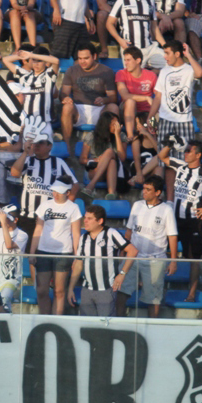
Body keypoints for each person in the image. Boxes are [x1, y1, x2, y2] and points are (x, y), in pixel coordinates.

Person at [159, 139, 202, 302]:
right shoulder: (180, 165)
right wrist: (169, 144)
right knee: (163, 250)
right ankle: (159, 287)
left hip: (194, 220)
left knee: (194, 258)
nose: (186, 152)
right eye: (186, 150)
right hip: (176, 218)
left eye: (189, 150)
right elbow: (162, 156)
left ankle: (191, 293)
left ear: (198, 155)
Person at [11, 135, 78, 281]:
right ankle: (37, 286)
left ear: (50, 146)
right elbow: (14, 173)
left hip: (50, 219)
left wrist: (66, 206)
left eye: (40, 143)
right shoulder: (27, 161)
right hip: (28, 216)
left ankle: (52, 284)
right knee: (32, 255)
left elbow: (74, 184)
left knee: (47, 253)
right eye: (35, 143)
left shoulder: (58, 162)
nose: (36, 146)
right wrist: (24, 152)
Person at [116, 175, 177, 318]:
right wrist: (123, 252)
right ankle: (118, 324)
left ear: (158, 193)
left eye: (148, 189)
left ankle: (152, 330)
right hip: (133, 258)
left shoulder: (166, 210)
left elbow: (172, 236)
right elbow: (129, 231)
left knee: (154, 298)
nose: (144, 192)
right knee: (121, 291)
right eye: (144, 188)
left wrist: (174, 261)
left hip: (155, 260)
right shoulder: (137, 205)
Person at [148, 41, 202, 192]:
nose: (164, 56)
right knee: (166, 162)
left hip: (183, 122)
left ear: (177, 54)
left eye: (167, 53)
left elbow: (200, 73)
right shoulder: (164, 71)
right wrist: (150, 116)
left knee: (185, 161)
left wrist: (189, 55)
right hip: (166, 121)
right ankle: (171, 200)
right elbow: (158, 97)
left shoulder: (188, 69)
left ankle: (183, 196)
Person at [70, 203, 137, 316]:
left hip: (106, 289)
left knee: (105, 326)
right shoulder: (83, 238)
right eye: (85, 218)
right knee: (87, 326)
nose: (85, 221)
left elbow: (133, 251)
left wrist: (122, 274)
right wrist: (71, 288)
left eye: (89, 218)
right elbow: (78, 263)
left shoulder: (111, 233)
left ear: (100, 221)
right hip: (87, 290)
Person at [29, 176, 81, 315]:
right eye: (54, 191)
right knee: (41, 290)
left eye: (59, 191)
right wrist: (32, 252)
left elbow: (76, 234)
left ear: (68, 193)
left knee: (59, 290)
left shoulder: (73, 208)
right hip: (43, 251)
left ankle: (55, 321)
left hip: (63, 252)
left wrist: (76, 256)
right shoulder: (45, 205)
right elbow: (38, 230)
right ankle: (44, 319)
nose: (55, 194)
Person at [59, 43, 118, 156]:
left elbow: (113, 98)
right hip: (78, 110)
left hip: (99, 109)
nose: (82, 61)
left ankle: (109, 147)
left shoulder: (106, 71)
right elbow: (64, 93)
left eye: (86, 58)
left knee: (113, 107)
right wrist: (66, 98)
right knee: (67, 107)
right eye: (80, 58)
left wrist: (104, 100)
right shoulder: (71, 70)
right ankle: (67, 147)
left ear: (94, 56)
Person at [106, 0, 167, 70]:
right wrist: (120, 40)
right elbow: (109, 23)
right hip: (131, 50)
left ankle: (153, 74)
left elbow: (154, 27)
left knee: (172, 63)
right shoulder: (121, 1)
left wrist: (166, 46)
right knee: (134, 78)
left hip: (150, 48)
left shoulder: (149, 2)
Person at [0, 206, 28, 312]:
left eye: (6, 218)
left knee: (4, 301)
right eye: (2, 218)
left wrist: (3, 224)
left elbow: (9, 245)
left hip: (13, 279)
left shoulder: (23, 235)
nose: (3, 220)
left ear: (16, 220)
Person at [79, 110, 128, 199]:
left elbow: (122, 157)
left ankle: (93, 187)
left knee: (111, 159)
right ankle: (111, 193)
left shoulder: (121, 136)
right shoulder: (92, 136)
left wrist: (117, 135)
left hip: (114, 172)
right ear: (106, 124)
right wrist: (96, 160)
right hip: (95, 169)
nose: (116, 126)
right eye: (114, 124)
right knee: (110, 157)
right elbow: (82, 159)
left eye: (117, 123)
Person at [3, 45, 59, 122]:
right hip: (27, 123)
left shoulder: (48, 75)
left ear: (45, 62)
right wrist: (22, 55)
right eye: (34, 60)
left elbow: (56, 61)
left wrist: (32, 55)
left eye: (39, 61)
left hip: (44, 123)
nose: (36, 64)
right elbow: (5, 60)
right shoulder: (24, 75)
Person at [116, 46, 156, 145]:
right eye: (125, 60)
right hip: (126, 110)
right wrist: (146, 98)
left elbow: (159, 96)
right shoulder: (121, 73)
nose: (126, 63)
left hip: (147, 112)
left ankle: (155, 136)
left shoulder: (151, 75)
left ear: (138, 60)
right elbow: (125, 96)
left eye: (128, 60)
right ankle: (130, 136)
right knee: (130, 101)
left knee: (158, 112)